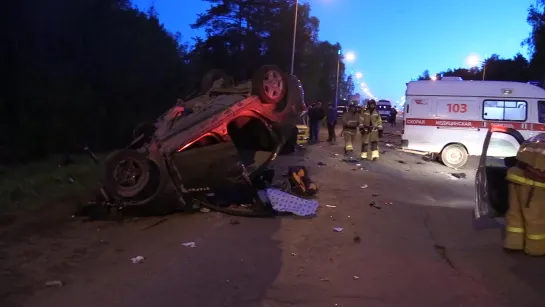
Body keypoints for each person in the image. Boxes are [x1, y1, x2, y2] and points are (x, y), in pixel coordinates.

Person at [504, 134, 545, 256]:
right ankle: (536, 249)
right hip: (534, 183)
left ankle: (513, 244)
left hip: (515, 177)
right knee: (536, 218)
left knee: (515, 213)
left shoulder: (537, 138)